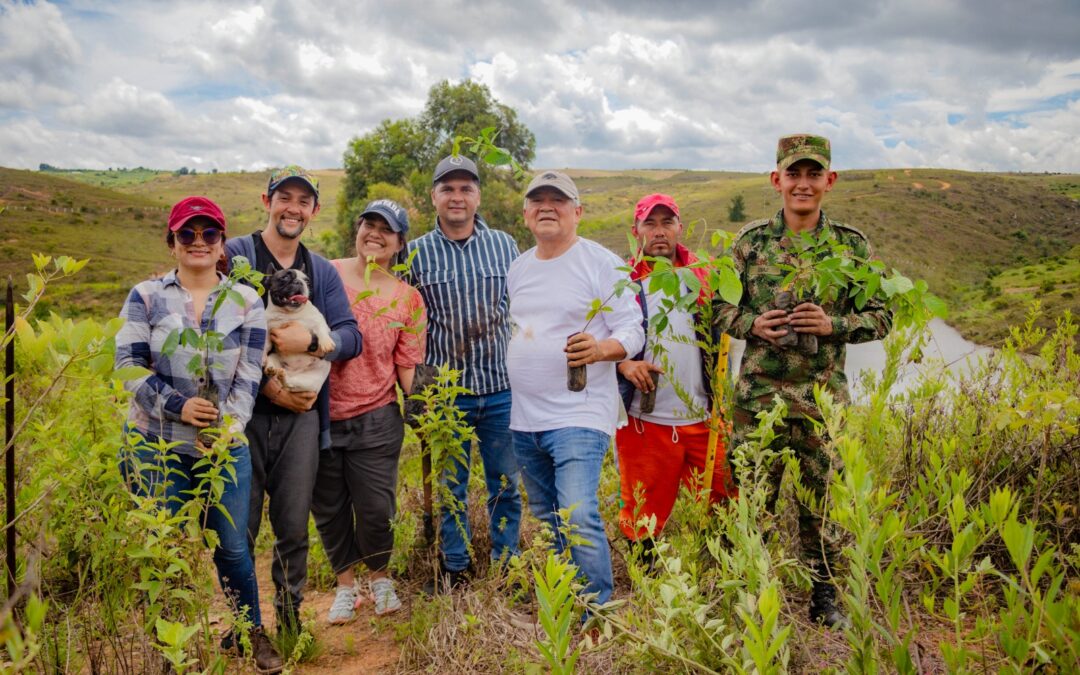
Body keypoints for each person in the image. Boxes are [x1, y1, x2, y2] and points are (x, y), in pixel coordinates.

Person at [714, 134, 892, 628]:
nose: (803, 184)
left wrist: (834, 325)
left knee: (824, 506)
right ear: (777, 180)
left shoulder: (851, 247)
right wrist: (753, 324)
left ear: (829, 181)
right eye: (794, 174)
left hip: (822, 401)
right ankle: (750, 590)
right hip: (759, 400)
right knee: (753, 500)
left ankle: (824, 597)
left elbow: (881, 316)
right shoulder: (751, 243)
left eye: (814, 174)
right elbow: (718, 308)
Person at [116, 196, 282, 673]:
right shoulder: (145, 296)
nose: (198, 242)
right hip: (157, 444)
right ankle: (170, 650)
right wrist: (179, 405)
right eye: (187, 234)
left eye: (209, 234)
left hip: (223, 449)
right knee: (164, 546)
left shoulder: (246, 301)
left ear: (220, 244)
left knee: (231, 546)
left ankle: (250, 632)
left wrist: (228, 429)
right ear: (172, 242)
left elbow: (250, 372)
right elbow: (127, 367)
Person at [225, 166, 363, 632]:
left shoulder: (320, 270)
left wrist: (307, 342)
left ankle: (288, 623)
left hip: (302, 419)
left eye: (303, 201)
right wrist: (268, 386)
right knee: (237, 526)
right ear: (267, 201)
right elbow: (211, 325)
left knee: (291, 526)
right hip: (240, 416)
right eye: (285, 197)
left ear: (314, 211)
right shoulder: (237, 255)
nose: (293, 208)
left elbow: (349, 336)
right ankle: (243, 625)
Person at [507, 171, 645, 605]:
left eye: (559, 200)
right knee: (548, 517)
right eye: (538, 200)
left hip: (579, 412)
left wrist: (602, 349)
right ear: (526, 213)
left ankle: (597, 610)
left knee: (579, 512)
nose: (547, 207)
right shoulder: (519, 267)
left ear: (578, 212)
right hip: (524, 417)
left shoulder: (602, 263)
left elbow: (633, 328)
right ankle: (566, 601)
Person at [408, 155, 522, 592]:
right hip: (446, 393)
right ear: (433, 196)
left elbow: (519, 308)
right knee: (450, 488)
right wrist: (417, 393)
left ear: (478, 196)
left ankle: (507, 565)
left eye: (466, 188)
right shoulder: (414, 252)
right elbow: (408, 324)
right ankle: (454, 567)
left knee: (506, 485)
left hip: (500, 388)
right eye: (448, 189)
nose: (457, 197)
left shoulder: (505, 246)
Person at [313, 199, 425, 622]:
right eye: (368, 224)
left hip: (377, 416)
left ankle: (380, 578)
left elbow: (407, 366)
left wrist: (427, 412)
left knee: (377, 506)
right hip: (319, 412)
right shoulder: (327, 273)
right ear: (357, 230)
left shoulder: (408, 299)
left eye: (386, 229)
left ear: (399, 242)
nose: (375, 234)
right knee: (328, 505)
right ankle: (346, 586)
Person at [615, 194, 734, 563]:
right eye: (650, 224)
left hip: (705, 417)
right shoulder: (623, 280)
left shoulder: (704, 273)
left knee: (726, 499)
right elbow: (602, 336)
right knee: (642, 511)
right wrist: (622, 365)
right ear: (636, 231)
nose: (659, 232)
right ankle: (645, 583)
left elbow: (731, 324)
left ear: (680, 227)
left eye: (667, 223)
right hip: (644, 420)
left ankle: (719, 573)